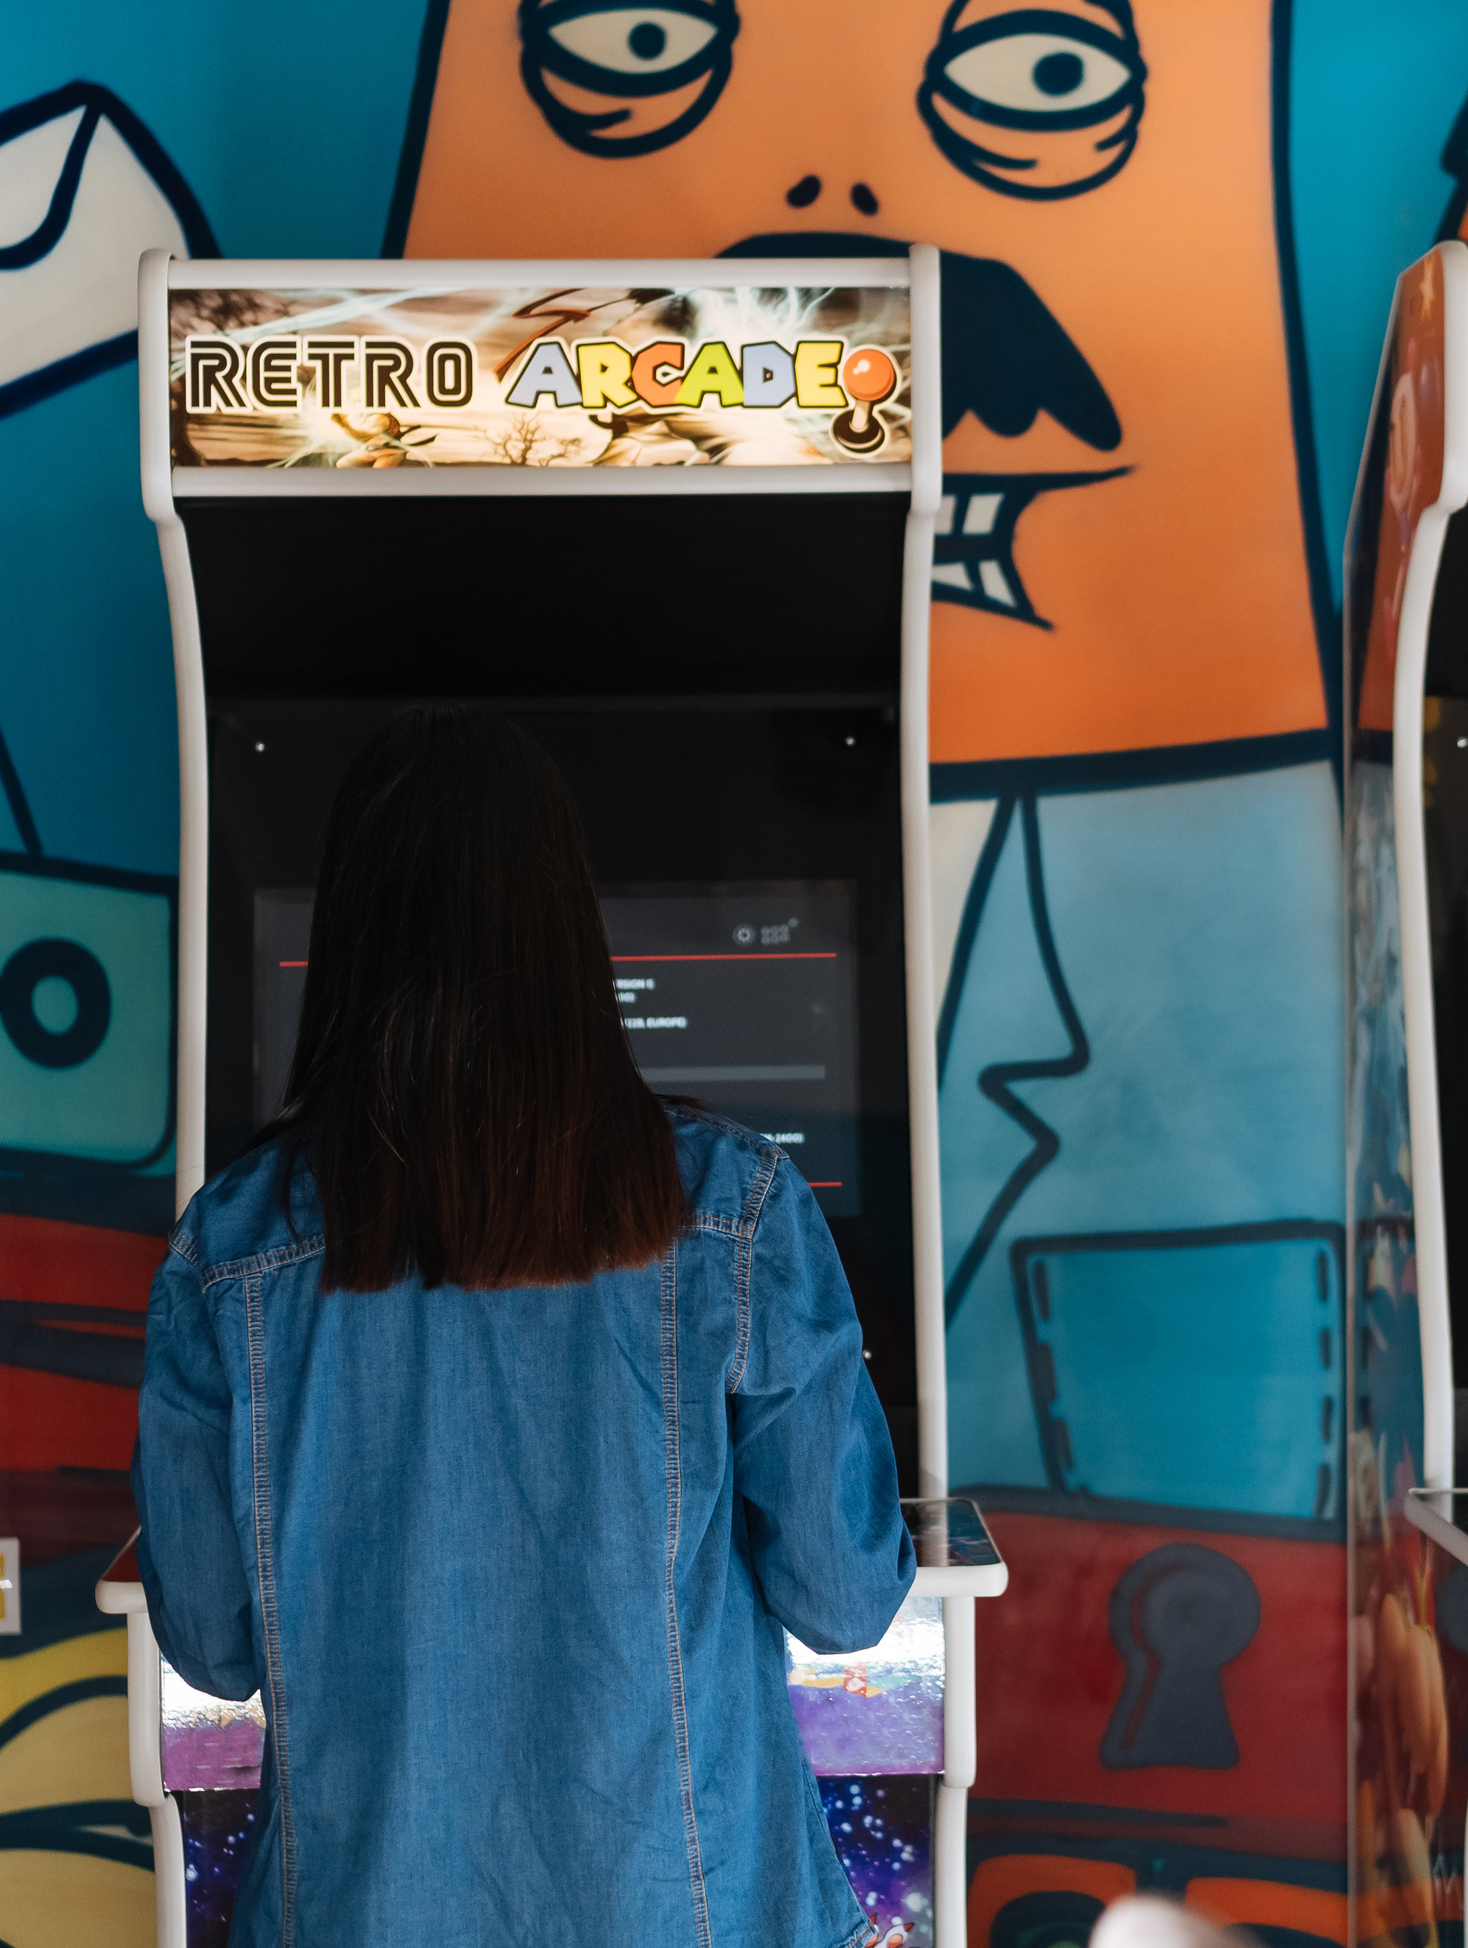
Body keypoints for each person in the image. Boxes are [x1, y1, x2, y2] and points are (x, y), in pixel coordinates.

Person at [134, 703, 916, 1948]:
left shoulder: (229, 1252)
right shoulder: (732, 1205)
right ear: (569, 926)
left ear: (344, 938)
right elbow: (846, 1599)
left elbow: (218, 1649)